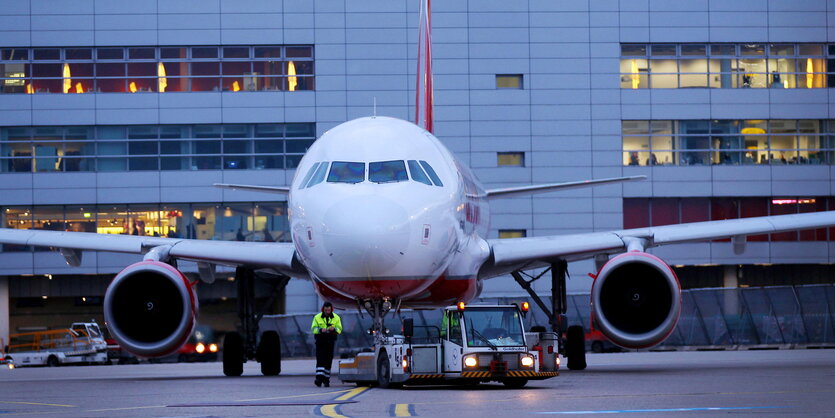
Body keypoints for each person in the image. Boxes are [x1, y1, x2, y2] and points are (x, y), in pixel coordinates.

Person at [311, 302, 342, 387]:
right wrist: (321, 330)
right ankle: (319, 379)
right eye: (326, 310)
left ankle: (326, 379)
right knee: (320, 359)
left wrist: (334, 329)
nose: (327, 311)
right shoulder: (317, 317)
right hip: (320, 340)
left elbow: (339, 329)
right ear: (323, 309)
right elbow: (313, 328)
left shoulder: (336, 318)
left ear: (331, 309)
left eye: (329, 310)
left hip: (330, 340)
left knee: (328, 360)